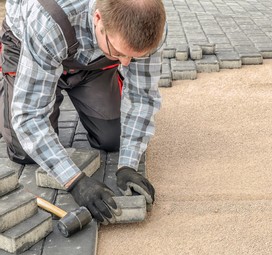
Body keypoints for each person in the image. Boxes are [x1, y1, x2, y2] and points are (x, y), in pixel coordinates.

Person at [0, 0, 166, 224]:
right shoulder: (46, 20)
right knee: (25, 151)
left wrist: (128, 164)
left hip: (90, 61)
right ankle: (15, 91)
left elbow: (142, 96)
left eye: (134, 57)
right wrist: (75, 181)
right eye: (119, 52)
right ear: (98, 19)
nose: (126, 63)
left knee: (113, 138)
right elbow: (29, 117)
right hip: (28, 44)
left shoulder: (151, 23)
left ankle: (76, 81)